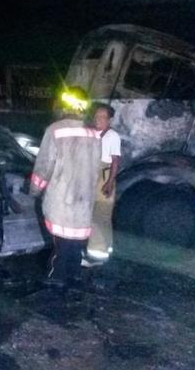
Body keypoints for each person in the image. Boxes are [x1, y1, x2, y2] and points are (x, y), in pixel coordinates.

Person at [30, 86, 102, 291]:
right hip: (84, 197)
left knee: (61, 239)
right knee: (77, 238)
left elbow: (44, 166)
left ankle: (57, 276)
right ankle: (75, 274)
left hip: (62, 195)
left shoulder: (55, 130)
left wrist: (35, 190)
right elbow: (97, 167)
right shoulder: (94, 133)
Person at [82, 103, 121, 267]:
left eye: (103, 117)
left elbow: (115, 161)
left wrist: (110, 182)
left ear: (109, 120)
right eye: (97, 116)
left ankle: (95, 256)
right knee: (101, 218)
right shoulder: (91, 133)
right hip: (91, 177)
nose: (99, 119)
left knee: (98, 217)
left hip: (103, 179)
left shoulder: (112, 136)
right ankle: (105, 249)